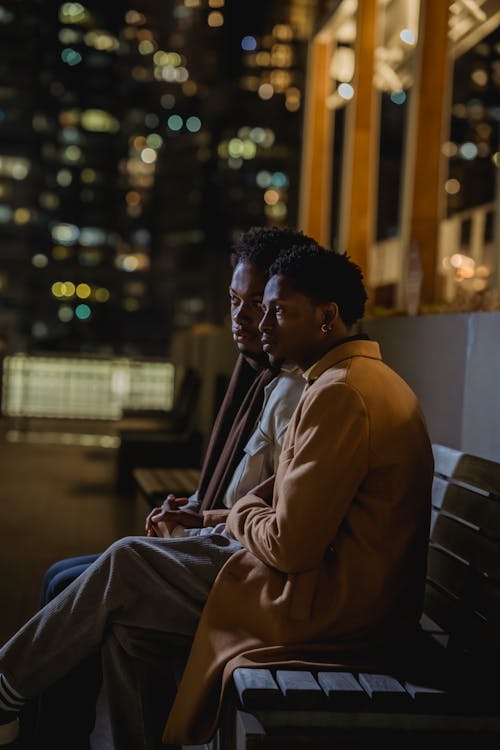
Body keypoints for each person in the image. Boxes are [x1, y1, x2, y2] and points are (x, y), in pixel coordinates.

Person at [0, 243, 433, 750]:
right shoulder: (349, 382)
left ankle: (6, 691)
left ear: (327, 317)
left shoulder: (340, 394)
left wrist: (240, 512)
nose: (262, 323)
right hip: (337, 592)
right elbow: (290, 516)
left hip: (332, 609)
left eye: (278, 311)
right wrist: (220, 515)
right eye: (257, 307)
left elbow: (290, 545)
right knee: (131, 631)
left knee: (128, 559)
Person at [1, 226, 311, 749]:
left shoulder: (297, 389)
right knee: (69, 579)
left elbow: (267, 511)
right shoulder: (263, 376)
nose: (242, 317)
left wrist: (201, 521)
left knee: (103, 588)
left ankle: (29, 716)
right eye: (235, 300)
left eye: (259, 303)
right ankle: (43, 732)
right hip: (221, 543)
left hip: (243, 568)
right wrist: (194, 509)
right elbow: (242, 492)